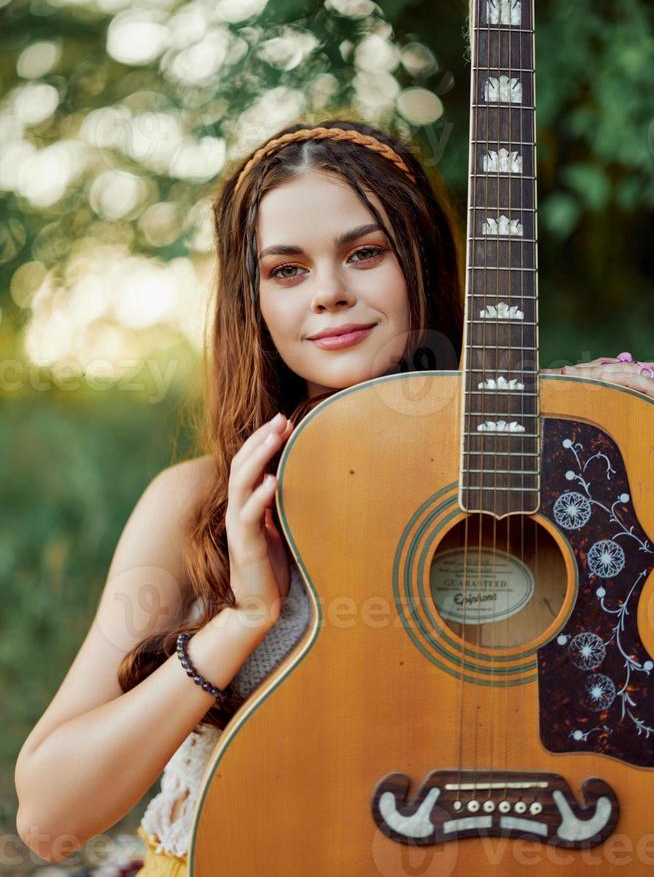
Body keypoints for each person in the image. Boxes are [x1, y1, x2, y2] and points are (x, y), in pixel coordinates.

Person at [14, 119, 654, 877]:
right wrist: (244, 620)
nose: (330, 294)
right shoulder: (196, 504)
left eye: (365, 253)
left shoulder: (580, 457)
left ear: (423, 262)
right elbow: (51, 822)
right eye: (286, 270)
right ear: (252, 301)